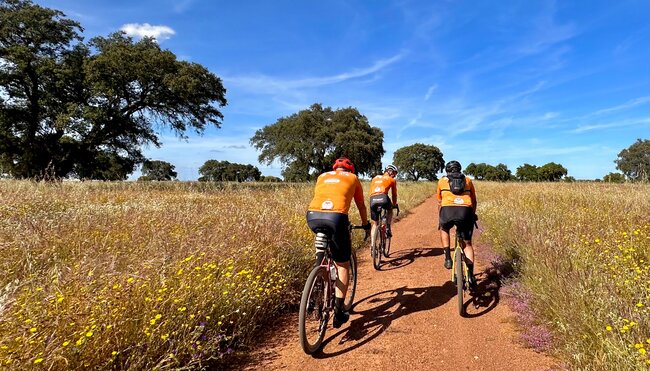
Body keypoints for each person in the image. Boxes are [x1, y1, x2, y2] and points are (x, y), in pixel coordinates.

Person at [306, 157, 371, 328]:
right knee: (342, 265)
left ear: (335, 168)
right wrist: (365, 224)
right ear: (351, 170)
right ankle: (339, 311)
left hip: (313, 216)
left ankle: (314, 288)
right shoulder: (353, 178)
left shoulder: (322, 176)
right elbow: (361, 205)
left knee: (322, 247)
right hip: (336, 217)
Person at [436, 160, 478, 287]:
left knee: (444, 228)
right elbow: (474, 200)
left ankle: (448, 258)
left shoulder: (442, 181)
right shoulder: (468, 180)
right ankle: (470, 275)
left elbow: (439, 201)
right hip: (465, 211)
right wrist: (472, 214)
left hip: (447, 210)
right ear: (460, 169)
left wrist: (440, 218)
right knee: (467, 244)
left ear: (447, 170)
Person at [369, 164, 399, 248]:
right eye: (394, 174)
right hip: (384, 198)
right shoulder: (392, 180)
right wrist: (394, 204)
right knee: (390, 210)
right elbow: (394, 195)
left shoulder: (374, 178)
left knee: (375, 224)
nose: (394, 176)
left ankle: (372, 246)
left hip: (372, 199)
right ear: (390, 171)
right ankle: (388, 226)